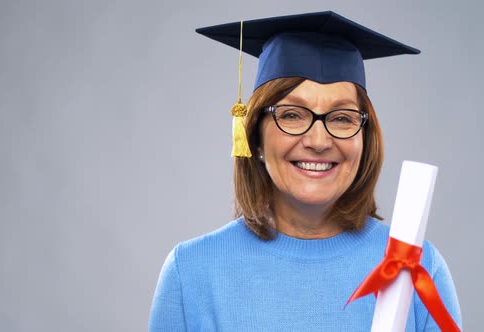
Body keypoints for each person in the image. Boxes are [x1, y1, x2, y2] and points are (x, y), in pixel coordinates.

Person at [149, 11, 462, 331]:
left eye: (342, 118)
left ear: (364, 139)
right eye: (292, 115)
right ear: (254, 136)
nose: (318, 140)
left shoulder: (416, 269)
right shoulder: (191, 273)